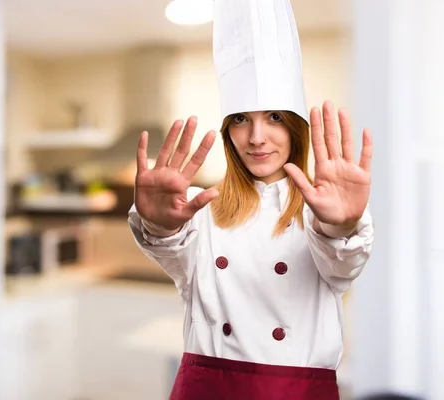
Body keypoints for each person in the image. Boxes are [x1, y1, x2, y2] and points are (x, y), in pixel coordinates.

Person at [128, 0, 374, 398]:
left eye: (274, 117)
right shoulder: (200, 210)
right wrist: (159, 224)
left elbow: (343, 262)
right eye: (241, 119)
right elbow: (171, 249)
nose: (256, 137)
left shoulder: (322, 213)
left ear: (296, 128)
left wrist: (342, 227)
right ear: (228, 132)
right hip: (207, 388)